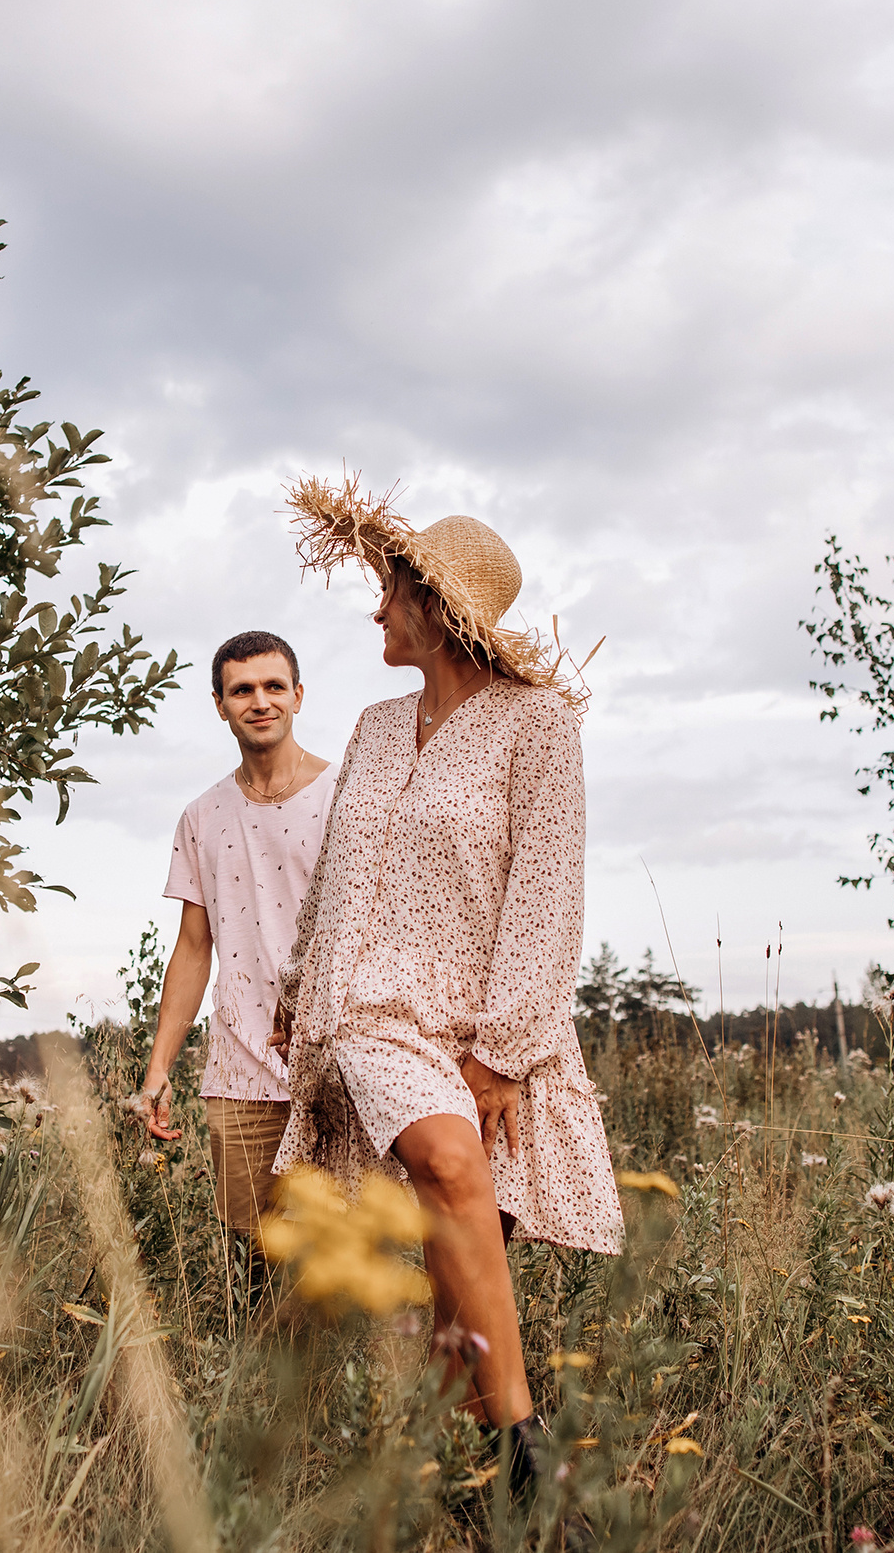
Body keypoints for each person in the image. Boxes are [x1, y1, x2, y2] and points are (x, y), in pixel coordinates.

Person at [270, 476, 621, 1503]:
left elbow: (548, 893)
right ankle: (528, 1454)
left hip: (491, 1023)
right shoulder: (377, 729)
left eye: (390, 593)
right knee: (451, 1161)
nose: (376, 610)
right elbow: (337, 868)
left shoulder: (537, 727)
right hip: (370, 1010)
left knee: (459, 1290)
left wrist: (505, 1050)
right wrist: (298, 986)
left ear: (437, 607)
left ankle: (447, 1493)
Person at [132, 629, 336, 1251]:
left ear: (299, 695)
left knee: (334, 1258)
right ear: (220, 705)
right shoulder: (202, 816)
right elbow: (194, 949)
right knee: (252, 1256)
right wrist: (159, 1067)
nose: (260, 701)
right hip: (240, 1072)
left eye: (274, 686)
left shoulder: (347, 796)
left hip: (337, 1065)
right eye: (242, 690)